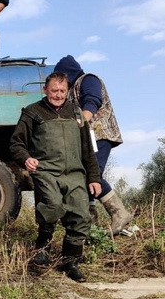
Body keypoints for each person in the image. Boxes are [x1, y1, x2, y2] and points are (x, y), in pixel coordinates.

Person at [9, 72, 101, 282]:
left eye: (62, 91)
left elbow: (87, 149)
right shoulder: (33, 112)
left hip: (75, 173)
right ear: (45, 90)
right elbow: (16, 143)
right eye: (53, 91)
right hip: (46, 170)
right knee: (52, 205)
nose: (58, 95)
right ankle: (42, 246)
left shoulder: (77, 114)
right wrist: (26, 159)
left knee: (81, 216)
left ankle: (69, 261)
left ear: (67, 91)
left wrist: (94, 177)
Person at [54, 55, 133, 235]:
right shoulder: (72, 88)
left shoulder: (88, 79)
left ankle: (119, 212)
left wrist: (81, 121)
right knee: (83, 174)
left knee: (92, 173)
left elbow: (92, 100)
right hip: (87, 137)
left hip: (99, 134)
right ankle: (90, 218)